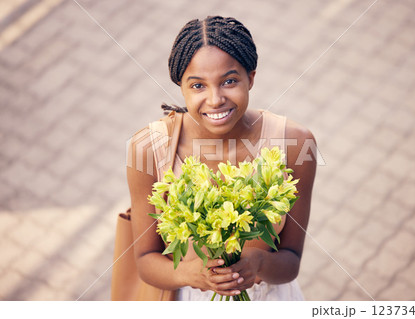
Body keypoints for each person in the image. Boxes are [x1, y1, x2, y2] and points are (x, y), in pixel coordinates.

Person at [126, 15, 317, 301]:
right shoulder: (148, 148)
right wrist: (189, 274)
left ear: (250, 78)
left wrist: (259, 265)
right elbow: (145, 260)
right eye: (198, 85)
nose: (215, 99)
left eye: (229, 81)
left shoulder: (295, 144)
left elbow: (291, 261)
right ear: (180, 85)